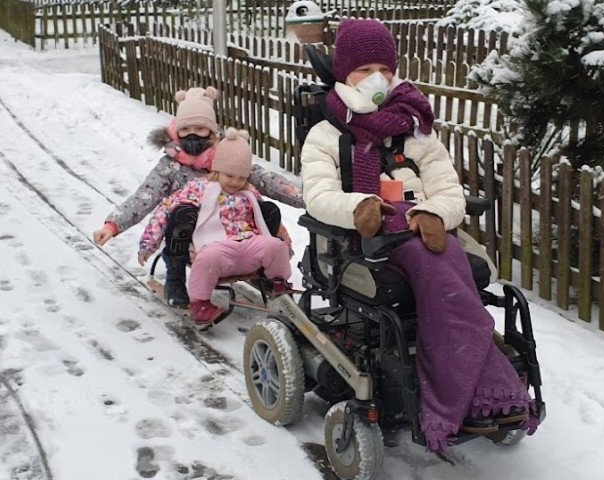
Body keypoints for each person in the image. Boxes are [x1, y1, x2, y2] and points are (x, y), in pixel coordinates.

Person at [300, 18, 537, 452]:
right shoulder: (326, 134)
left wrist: (433, 212)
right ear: (342, 74)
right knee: (443, 272)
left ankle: (472, 382)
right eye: (364, 70)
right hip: (365, 244)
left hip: (427, 233)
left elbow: (450, 191)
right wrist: (360, 207)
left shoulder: (417, 129)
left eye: (385, 71)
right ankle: (479, 393)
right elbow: (317, 195)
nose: (377, 79)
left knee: (452, 266)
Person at [93, 86, 302, 309]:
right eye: (186, 129)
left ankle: (265, 271)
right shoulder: (170, 166)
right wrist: (113, 225)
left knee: (268, 209)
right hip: (188, 233)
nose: (193, 134)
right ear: (177, 131)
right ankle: (175, 277)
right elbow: (145, 196)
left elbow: (264, 178)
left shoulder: (226, 156)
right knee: (183, 213)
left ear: (212, 132)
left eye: (200, 128)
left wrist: (311, 199)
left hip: (234, 225)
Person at [138, 128, 293, 330]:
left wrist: (285, 246)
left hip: (248, 244)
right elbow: (165, 211)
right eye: (229, 175)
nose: (236, 182)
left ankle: (277, 282)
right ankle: (200, 303)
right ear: (216, 169)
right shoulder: (198, 187)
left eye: (241, 177)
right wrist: (147, 244)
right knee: (207, 255)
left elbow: (268, 222)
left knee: (274, 245)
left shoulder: (248, 192)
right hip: (216, 247)